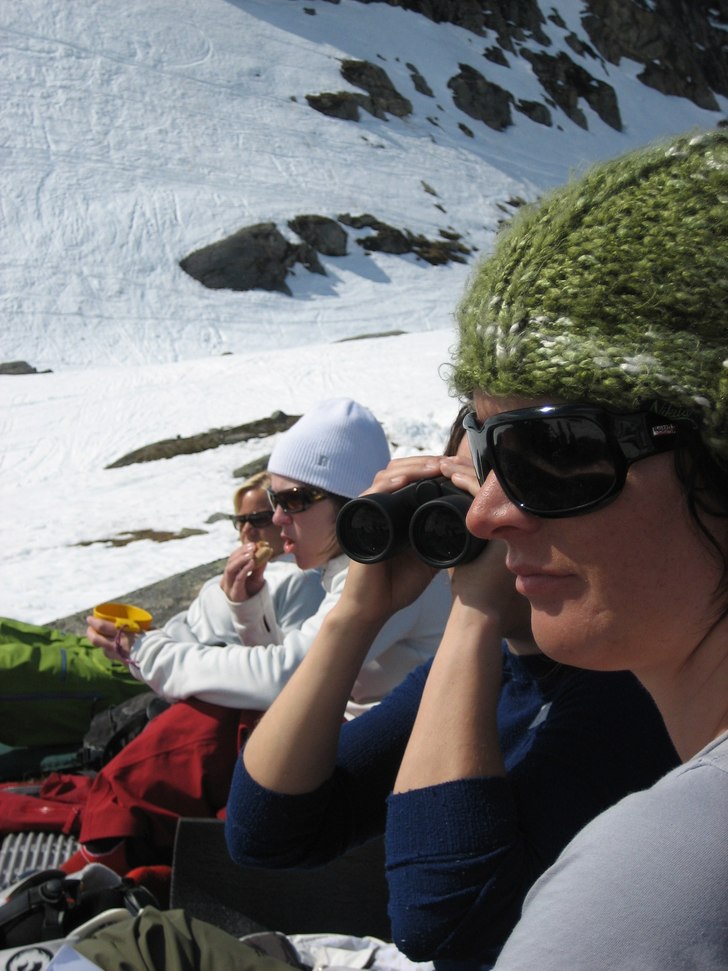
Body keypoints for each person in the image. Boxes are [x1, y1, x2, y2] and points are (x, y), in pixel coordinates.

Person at [224, 412, 678, 969]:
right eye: (466, 486)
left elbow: (440, 921)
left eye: (521, 480)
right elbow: (267, 832)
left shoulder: (636, 700)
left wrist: (476, 610)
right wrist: (356, 615)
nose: (485, 517)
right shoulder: (503, 674)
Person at [69, 398, 451, 879]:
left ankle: (123, 855)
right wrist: (250, 611)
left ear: (350, 504)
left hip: (387, 766)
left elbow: (287, 679)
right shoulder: (356, 560)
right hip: (371, 739)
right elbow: (300, 675)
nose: (277, 518)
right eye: (273, 501)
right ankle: (127, 848)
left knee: (203, 727)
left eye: (292, 501)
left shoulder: (388, 564)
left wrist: (149, 653)